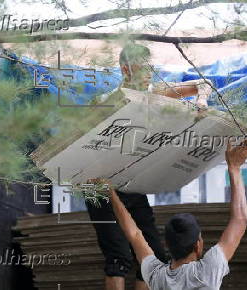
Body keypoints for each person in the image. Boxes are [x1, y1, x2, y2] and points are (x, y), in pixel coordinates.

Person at [85, 42, 212, 290]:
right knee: (118, 257)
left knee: (153, 254)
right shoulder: (104, 102)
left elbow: (204, 83)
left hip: (132, 184)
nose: (147, 76)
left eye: (149, 70)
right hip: (99, 186)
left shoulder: (154, 93)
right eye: (141, 70)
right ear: (125, 70)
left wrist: (202, 101)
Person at [89, 137, 247, 290]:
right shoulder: (208, 272)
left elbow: (133, 234)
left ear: (168, 245)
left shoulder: (156, 274)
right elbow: (241, 219)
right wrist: (234, 167)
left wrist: (111, 192)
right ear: (198, 245)